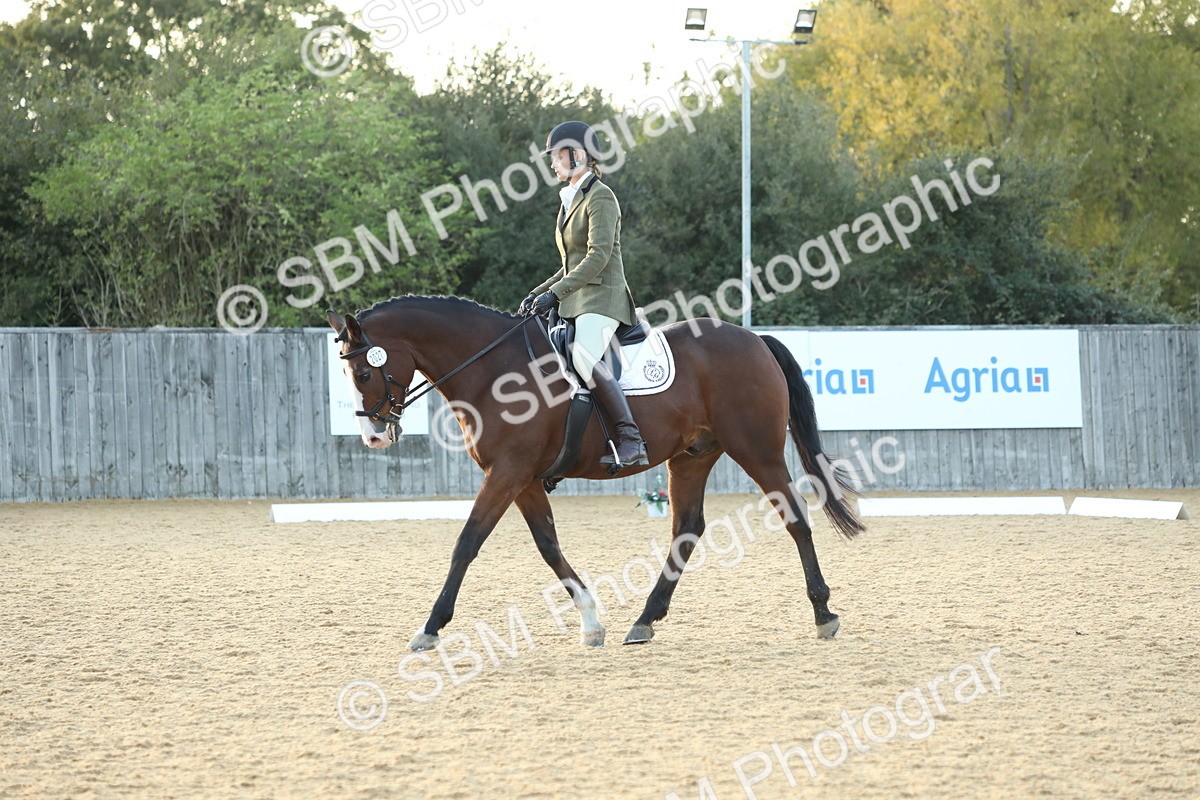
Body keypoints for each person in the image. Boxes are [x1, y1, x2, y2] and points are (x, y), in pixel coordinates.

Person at [519, 120, 649, 470]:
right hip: (575, 299)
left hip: (603, 298)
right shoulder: (568, 202)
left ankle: (631, 438)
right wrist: (540, 292)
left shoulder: (602, 196)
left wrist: (556, 293)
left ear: (577, 156)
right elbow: (569, 263)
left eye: (557, 156)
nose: (552, 164)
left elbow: (598, 256)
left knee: (584, 357)